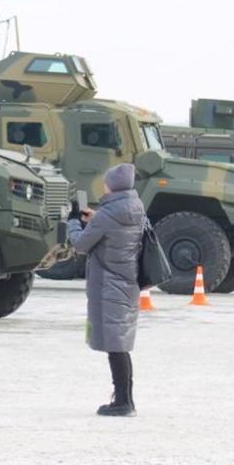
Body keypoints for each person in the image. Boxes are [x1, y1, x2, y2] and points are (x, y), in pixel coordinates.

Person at [67, 163, 146, 416]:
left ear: (113, 185)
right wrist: (95, 219)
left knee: (116, 346)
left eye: (106, 182)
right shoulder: (135, 208)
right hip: (127, 282)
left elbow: (80, 245)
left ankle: (123, 403)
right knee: (120, 343)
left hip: (109, 285)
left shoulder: (108, 214)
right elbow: (112, 230)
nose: (104, 185)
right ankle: (125, 398)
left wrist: (73, 224)